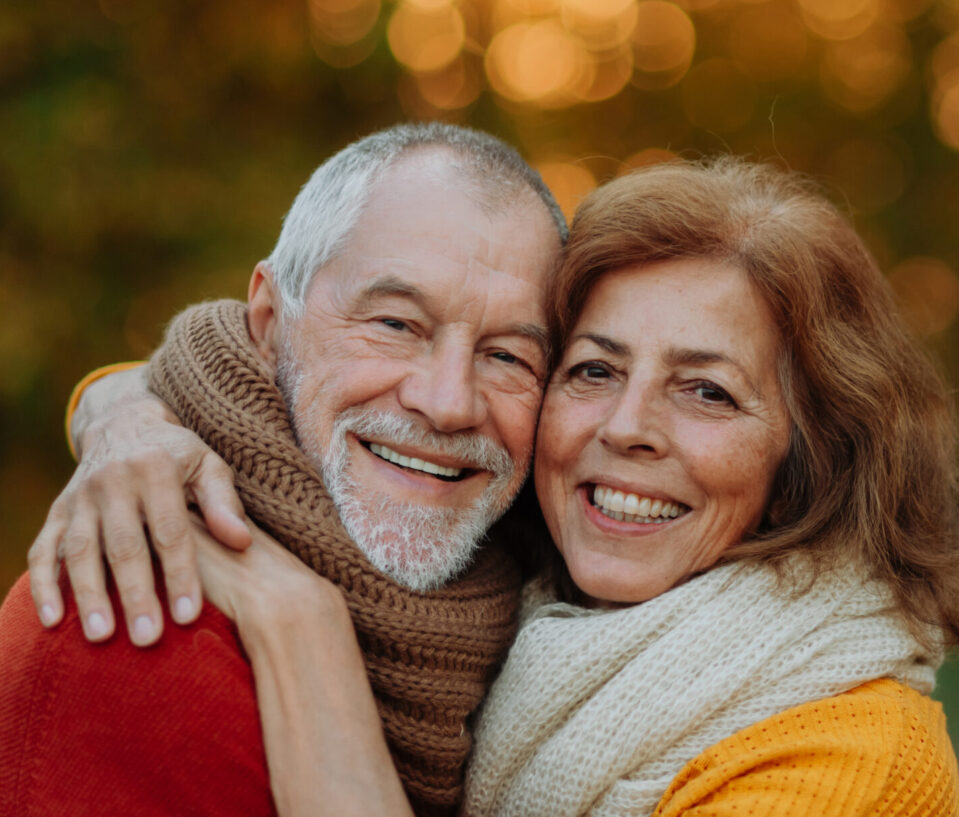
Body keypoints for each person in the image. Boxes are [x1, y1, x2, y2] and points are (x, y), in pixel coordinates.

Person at [18, 157, 959, 816]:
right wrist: (122, 415)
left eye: (705, 391)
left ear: (804, 463)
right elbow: (271, 366)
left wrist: (295, 623)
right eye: (593, 370)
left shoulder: (852, 762)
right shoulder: (503, 587)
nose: (623, 429)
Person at [0, 121, 567, 817]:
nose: (449, 403)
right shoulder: (121, 630)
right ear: (269, 321)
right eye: (395, 324)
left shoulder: (547, 622)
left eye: (508, 356)